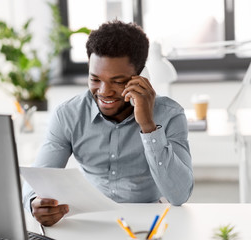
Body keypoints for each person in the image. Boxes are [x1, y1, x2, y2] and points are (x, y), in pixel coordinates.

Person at [22, 20, 194, 226]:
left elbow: (179, 195)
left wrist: (148, 126)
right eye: (95, 79)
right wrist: (35, 202)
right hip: (90, 221)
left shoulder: (170, 114)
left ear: (140, 77)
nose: (104, 91)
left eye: (118, 81)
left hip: (147, 220)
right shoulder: (68, 114)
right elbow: (39, 176)